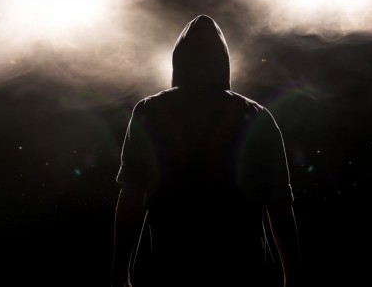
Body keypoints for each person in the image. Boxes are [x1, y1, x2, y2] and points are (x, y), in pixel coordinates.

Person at [111, 14, 301, 287]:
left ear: (178, 60)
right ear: (223, 61)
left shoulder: (151, 111)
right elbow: (279, 202)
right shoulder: (255, 115)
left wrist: (120, 272)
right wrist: (292, 276)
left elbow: (132, 194)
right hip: (241, 268)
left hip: (170, 266)